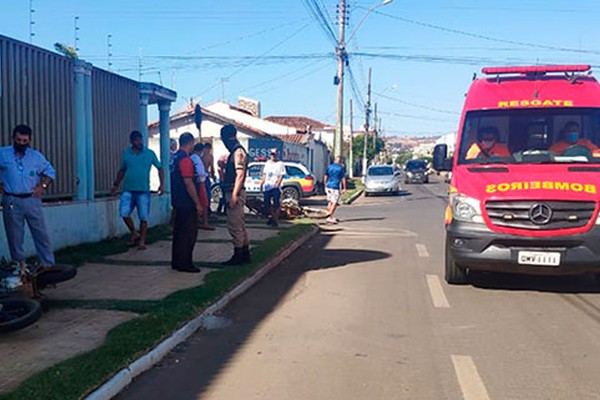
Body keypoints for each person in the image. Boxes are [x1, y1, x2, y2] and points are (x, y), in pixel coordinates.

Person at [0, 125, 56, 267]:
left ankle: (48, 266)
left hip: (32, 200)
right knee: (15, 236)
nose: (22, 143)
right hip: (11, 199)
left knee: (42, 234)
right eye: (19, 140)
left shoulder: (36, 156)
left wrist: (42, 186)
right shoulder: (3, 153)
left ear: (30, 140)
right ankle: (20, 268)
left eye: (25, 141)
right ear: (13, 138)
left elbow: (50, 172)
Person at [111, 130, 164, 250]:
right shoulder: (126, 153)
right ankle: (134, 232)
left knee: (143, 216)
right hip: (128, 189)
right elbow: (122, 170)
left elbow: (160, 168)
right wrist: (115, 185)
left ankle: (142, 241)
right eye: (136, 140)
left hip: (143, 190)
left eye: (140, 139)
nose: (139, 142)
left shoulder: (149, 153)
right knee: (124, 213)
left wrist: (162, 184)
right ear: (131, 142)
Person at [170, 132, 203, 273]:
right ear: (190, 143)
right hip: (186, 202)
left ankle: (177, 261)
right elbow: (188, 182)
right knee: (188, 234)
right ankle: (185, 263)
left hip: (177, 200)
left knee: (178, 233)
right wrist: (197, 203)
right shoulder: (186, 160)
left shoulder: (173, 158)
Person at [220, 124, 250, 266]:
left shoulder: (238, 152)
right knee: (240, 225)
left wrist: (233, 196)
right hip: (234, 191)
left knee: (235, 225)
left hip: (235, 192)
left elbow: (240, 175)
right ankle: (244, 254)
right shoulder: (235, 151)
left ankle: (239, 255)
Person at [190, 142, 214, 230]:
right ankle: (205, 222)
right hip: (201, 181)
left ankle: (200, 221)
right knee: (204, 202)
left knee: (202, 202)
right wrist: (206, 175)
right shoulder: (196, 158)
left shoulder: (194, 158)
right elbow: (201, 171)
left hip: (198, 181)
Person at [260, 148, 286, 228]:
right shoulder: (267, 163)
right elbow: (265, 174)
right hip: (267, 186)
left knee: (276, 204)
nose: (273, 156)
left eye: (274, 154)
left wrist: (278, 183)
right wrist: (262, 182)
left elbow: (282, 174)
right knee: (267, 204)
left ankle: (275, 220)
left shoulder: (280, 164)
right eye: (272, 154)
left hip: (275, 186)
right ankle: (272, 217)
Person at [324, 156, 347, 224]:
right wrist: (344, 188)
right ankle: (329, 216)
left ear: (334, 160)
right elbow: (343, 178)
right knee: (334, 202)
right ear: (340, 161)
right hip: (335, 186)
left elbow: (325, 176)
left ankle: (329, 216)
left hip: (328, 186)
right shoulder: (340, 168)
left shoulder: (329, 167)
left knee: (330, 201)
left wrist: (325, 184)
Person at [201, 142, 215, 216]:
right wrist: (213, 176)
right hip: (206, 176)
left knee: (201, 193)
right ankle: (207, 210)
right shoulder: (210, 156)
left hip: (200, 176)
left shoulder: (200, 155)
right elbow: (212, 168)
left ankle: (202, 210)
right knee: (207, 194)